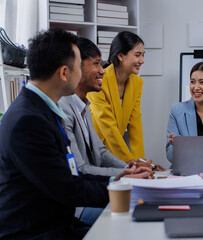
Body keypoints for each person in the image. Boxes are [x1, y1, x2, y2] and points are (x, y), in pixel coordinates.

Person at [0, 28, 152, 239]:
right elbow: (66, 187)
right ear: (64, 73)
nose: (101, 71)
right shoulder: (29, 121)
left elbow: (68, 176)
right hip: (36, 233)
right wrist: (122, 187)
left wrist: (120, 178)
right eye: (80, 66)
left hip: (54, 224)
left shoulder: (40, 110)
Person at [87, 31, 145, 163]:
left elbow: (135, 125)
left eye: (143, 55)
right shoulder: (98, 80)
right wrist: (130, 162)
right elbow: (108, 127)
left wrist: (141, 161)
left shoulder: (137, 83)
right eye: (137, 55)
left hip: (117, 153)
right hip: (95, 152)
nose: (142, 60)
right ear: (120, 56)